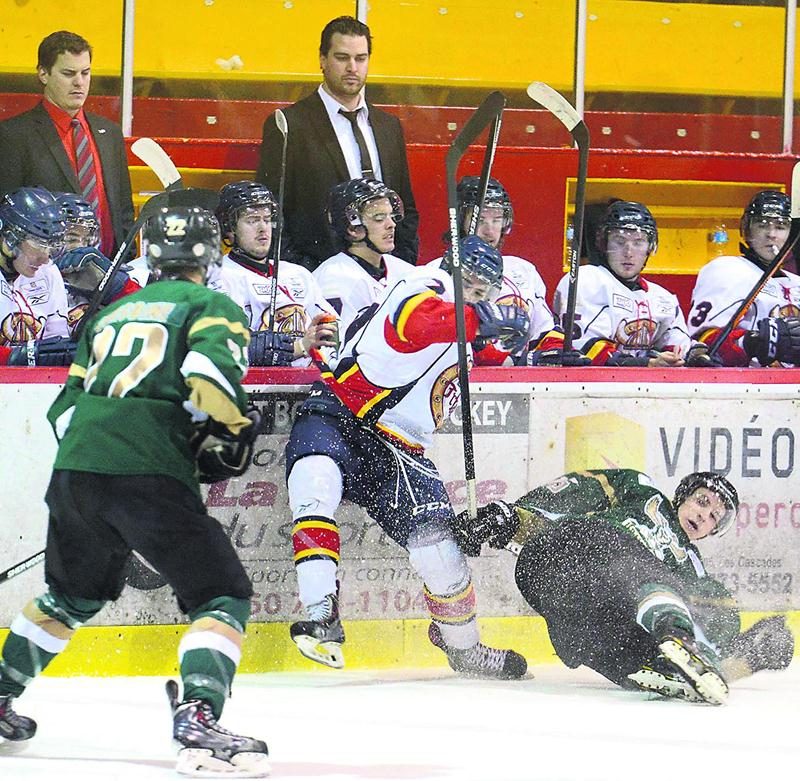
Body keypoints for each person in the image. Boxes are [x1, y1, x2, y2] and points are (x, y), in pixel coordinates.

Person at [0, 206, 270, 777]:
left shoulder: (112, 312)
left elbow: (65, 407)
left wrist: (96, 469)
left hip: (76, 467)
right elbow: (211, 379)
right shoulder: (210, 305)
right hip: (147, 468)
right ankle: (199, 714)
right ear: (211, 254)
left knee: (69, 598)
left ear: (152, 254)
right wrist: (232, 430)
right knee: (220, 593)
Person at [283, 235, 530, 679]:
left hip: (402, 448)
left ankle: (464, 648)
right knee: (313, 485)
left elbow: (484, 342)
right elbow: (412, 324)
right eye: (469, 283)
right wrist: (477, 319)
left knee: (439, 553)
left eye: (482, 289)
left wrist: (505, 333)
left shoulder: (466, 326)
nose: (473, 293)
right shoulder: (423, 285)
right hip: (342, 410)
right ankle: (321, 614)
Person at [452, 469, 794, 705]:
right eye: (703, 502)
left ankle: (679, 661)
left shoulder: (693, 571)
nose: (705, 516)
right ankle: (674, 631)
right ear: (683, 496)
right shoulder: (645, 493)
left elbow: (715, 617)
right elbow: (578, 490)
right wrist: (512, 517)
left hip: (585, 626)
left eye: (714, 518)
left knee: (691, 619)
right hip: (568, 558)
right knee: (638, 571)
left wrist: (746, 652)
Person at [256, 16, 419, 270]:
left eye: (361, 58)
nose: (352, 67)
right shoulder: (289, 125)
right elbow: (272, 210)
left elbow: (405, 206)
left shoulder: (389, 127)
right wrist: (305, 273)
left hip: (385, 277)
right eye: (342, 58)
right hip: (318, 277)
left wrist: (400, 264)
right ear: (322, 60)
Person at [0, 31, 135, 258]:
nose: (79, 82)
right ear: (43, 73)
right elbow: (6, 214)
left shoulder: (109, 133)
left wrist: (126, 263)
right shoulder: (13, 135)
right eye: (68, 73)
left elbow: (123, 211)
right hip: (47, 274)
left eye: (86, 72)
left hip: (110, 271)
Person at [435, 176, 584, 366]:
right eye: (480, 220)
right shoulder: (438, 273)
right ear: (459, 219)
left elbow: (543, 330)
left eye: (497, 220)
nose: (490, 231)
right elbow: (451, 344)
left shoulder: (523, 270)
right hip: (460, 386)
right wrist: (518, 361)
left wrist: (557, 352)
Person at [554, 200, 716, 367]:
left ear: (650, 247)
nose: (629, 252)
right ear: (603, 244)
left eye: (638, 242)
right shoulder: (587, 280)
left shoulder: (662, 297)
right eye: (619, 241)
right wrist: (646, 363)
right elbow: (586, 351)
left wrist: (693, 354)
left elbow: (677, 344)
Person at [210, 180, 339, 367]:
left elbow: (333, 328)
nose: (263, 228)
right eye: (252, 220)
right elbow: (229, 346)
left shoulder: (299, 274)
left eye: (267, 219)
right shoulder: (219, 275)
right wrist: (300, 346)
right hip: (252, 390)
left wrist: (328, 332)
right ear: (229, 228)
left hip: (307, 385)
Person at [688, 190, 800, 367]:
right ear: (747, 229)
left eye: (780, 226)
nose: (771, 234)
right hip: (744, 385)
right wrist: (751, 342)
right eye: (762, 225)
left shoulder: (796, 283)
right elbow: (701, 343)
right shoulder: (727, 269)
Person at [314, 177, 414, 341]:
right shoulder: (333, 280)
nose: (391, 224)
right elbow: (335, 351)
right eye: (379, 218)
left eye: (390, 215)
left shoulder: (406, 272)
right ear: (353, 228)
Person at [0, 187, 78, 366]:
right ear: (10, 237)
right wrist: (15, 357)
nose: (45, 257)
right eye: (39, 243)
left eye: (51, 246)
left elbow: (56, 342)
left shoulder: (48, 273)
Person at [53, 192, 140, 329]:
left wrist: (114, 287)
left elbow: (146, 314)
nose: (81, 246)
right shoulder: (26, 279)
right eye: (72, 238)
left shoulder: (98, 271)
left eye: (87, 239)